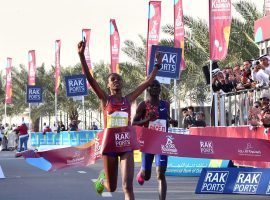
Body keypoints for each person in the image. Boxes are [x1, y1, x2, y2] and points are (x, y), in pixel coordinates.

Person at [78, 40, 162, 199]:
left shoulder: (128, 99)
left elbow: (147, 82)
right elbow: (90, 79)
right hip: (109, 145)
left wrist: (157, 64)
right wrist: (82, 56)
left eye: (118, 79)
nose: (116, 81)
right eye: (113, 80)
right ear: (108, 85)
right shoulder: (105, 99)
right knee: (112, 186)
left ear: (122, 83)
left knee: (127, 187)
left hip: (126, 144)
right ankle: (102, 181)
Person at [132, 79, 177, 200]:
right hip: (147, 143)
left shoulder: (165, 104)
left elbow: (166, 117)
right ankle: (142, 171)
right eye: (152, 86)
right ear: (148, 89)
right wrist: (146, 120)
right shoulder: (143, 105)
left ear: (160, 89)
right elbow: (134, 123)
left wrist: (172, 121)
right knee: (147, 176)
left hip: (162, 142)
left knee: (161, 173)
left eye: (158, 86)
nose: (156, 88)